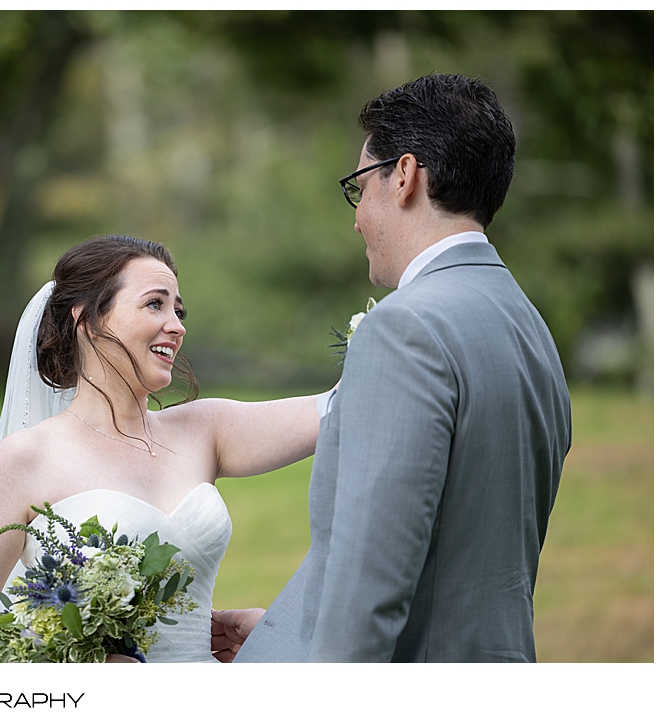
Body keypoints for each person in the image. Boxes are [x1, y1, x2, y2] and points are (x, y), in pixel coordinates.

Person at [212, 73, 572, 662]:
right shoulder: (529, 326)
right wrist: (288, 637)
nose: (356, 219)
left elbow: (368, 597)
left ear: (403, 176)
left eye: (359, 188)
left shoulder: (404, 329)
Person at [0, 234, 325, 663]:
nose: (177, 325)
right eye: (155, 304)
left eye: (179, 310)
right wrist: (66, 668)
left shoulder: (206, 428)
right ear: (87, 319)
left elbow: (339, 409)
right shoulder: (27, 458)